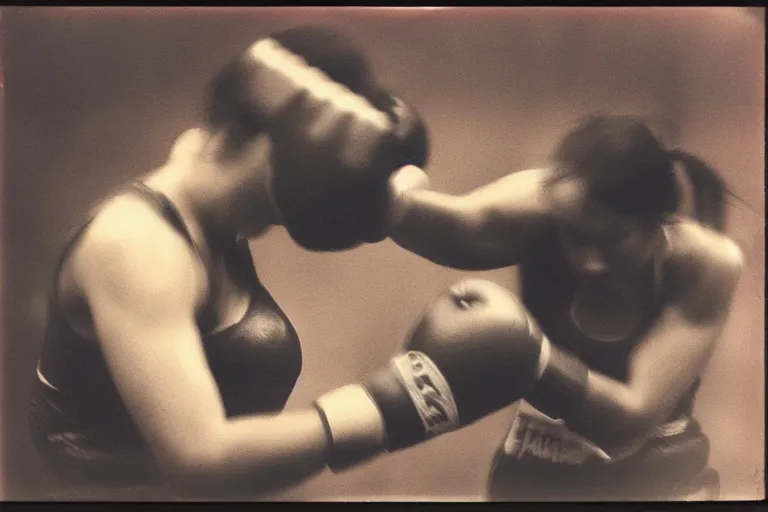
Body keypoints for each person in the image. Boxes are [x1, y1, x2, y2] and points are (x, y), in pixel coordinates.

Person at [27, 25, 442, 500]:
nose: (327, 175)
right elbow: (202, 458)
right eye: (318, 149)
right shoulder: (136, 246)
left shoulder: (219, 232)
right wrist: (401, 402)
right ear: (243, 134)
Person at [386, 114, 747, 501]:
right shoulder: (543, 206)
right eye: (574, 235)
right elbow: (438, 226)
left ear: (658, 225)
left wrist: (530, 356)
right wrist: (384, 186)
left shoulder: (703, 263)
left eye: (612, 241)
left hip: (656, 477)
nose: (589, 262)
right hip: (538, 472)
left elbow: (632, 417)